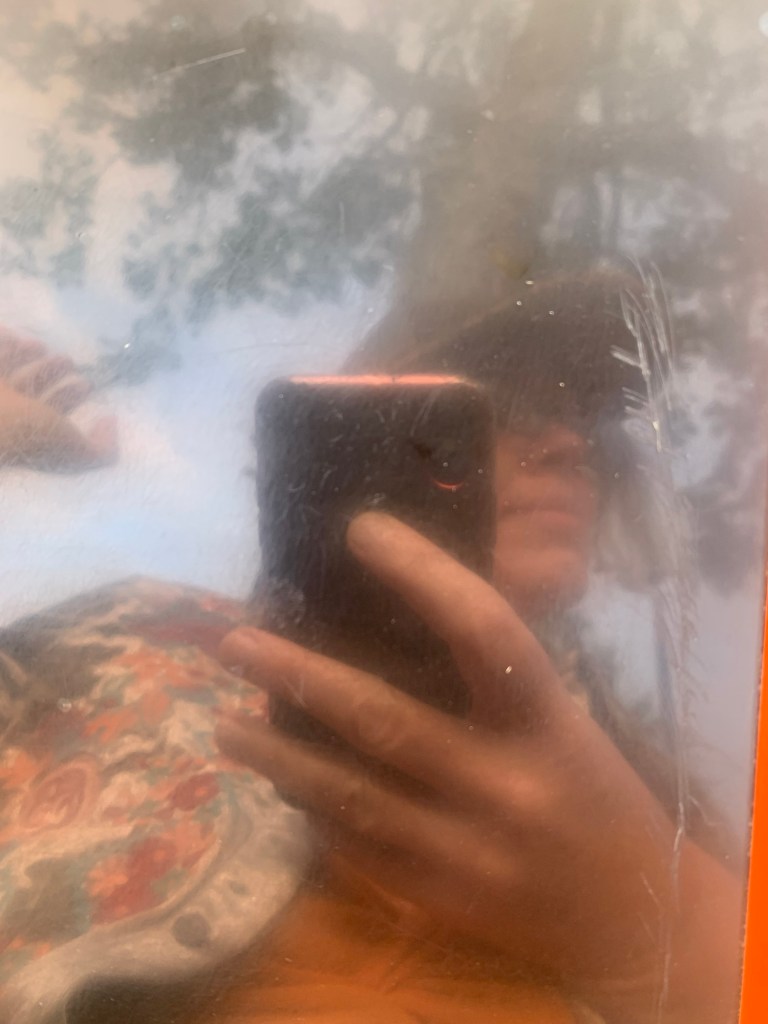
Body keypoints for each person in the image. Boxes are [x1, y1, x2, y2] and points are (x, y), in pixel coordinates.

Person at [0, 275, 744, 1024]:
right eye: (497, 407)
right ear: (358, 448)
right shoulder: (138, 641)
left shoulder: (666, 805)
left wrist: (665, 934)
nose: (568, 443)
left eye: (585, 418)